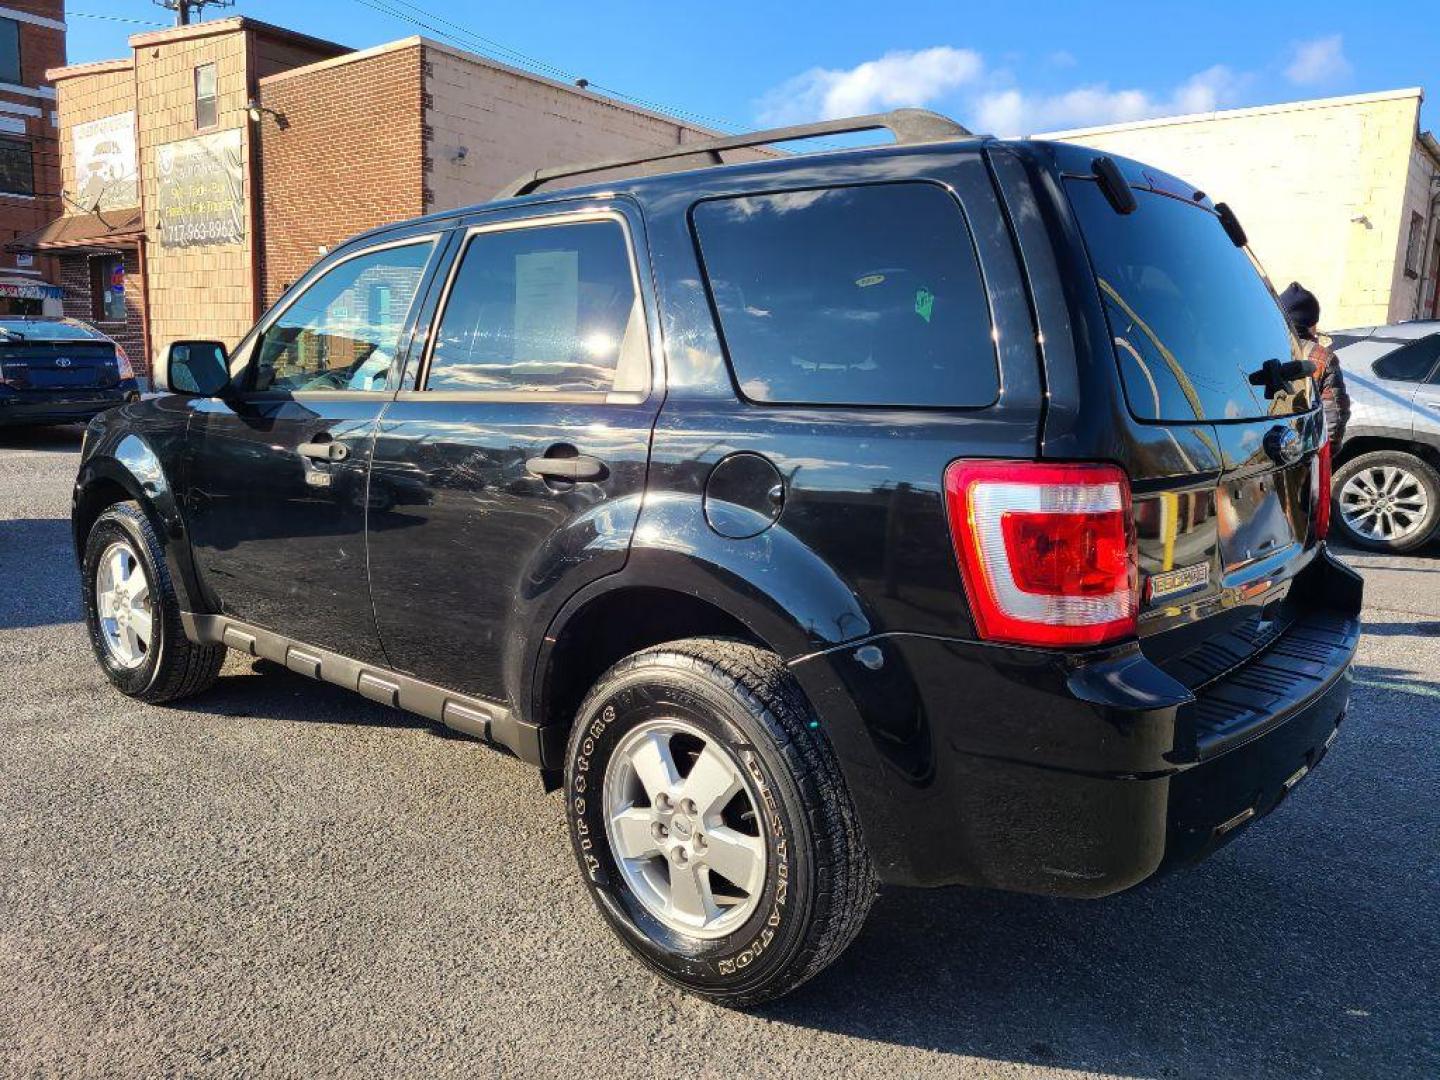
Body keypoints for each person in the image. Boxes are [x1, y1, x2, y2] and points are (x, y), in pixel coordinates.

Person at [1279, 281, 1349, 450]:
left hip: (1260, 449)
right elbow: (1334, 417)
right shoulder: (1324, 358)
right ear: (1311, 323)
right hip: (1303, 453)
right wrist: (1322, 458)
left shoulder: (1262, 348)